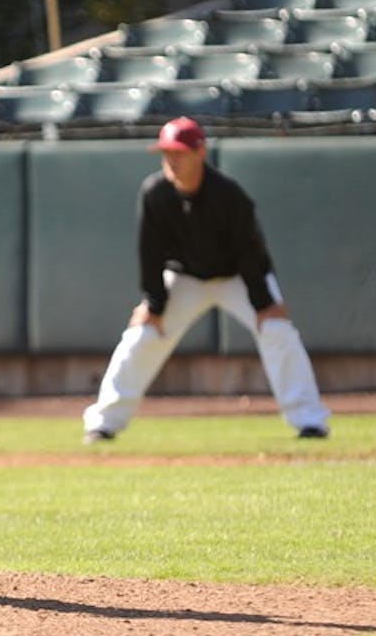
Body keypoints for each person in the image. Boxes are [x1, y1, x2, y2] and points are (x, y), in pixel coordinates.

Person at [82, 117, 332, 443]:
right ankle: (103, 423)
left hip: (238, 277)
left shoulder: (228, 195)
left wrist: (263, 302)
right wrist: (154, 304)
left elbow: (251, 250)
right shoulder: (155, 193)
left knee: (277, 330)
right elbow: (150, 253)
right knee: (142, 334)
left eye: (180, 152)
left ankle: (310, 421)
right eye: (167, 152)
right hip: (185, 278)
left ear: (201, 152)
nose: (172, 160)